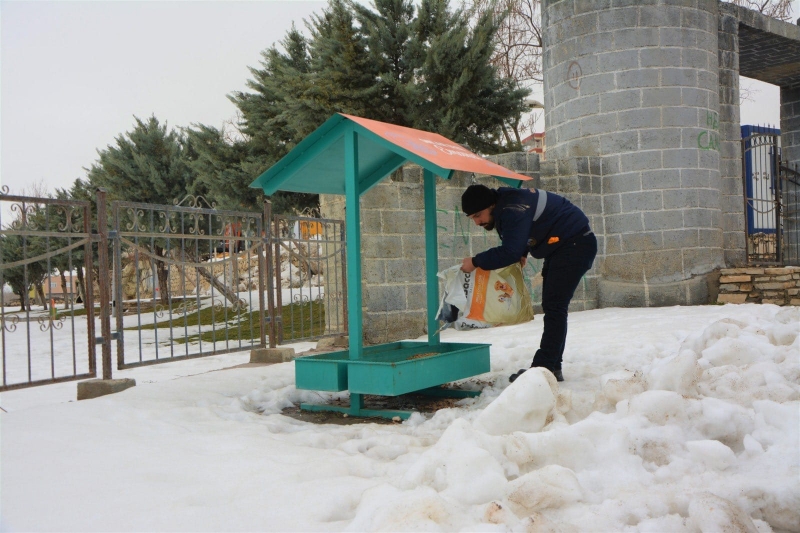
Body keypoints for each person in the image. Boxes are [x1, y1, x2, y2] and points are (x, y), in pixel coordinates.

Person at [460, 183, 597, 382]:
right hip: (566, 246)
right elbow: (525, 228)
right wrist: (522, 252)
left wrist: (475, 262)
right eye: (472, 218)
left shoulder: (511, 208)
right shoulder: (508, 203)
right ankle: (551, 368)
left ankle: (544, 368)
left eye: (478, 215)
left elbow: (510, 249)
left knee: (555, 307)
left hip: (574, 246)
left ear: (491, 205)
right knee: (553, 307)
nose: (477, 222)